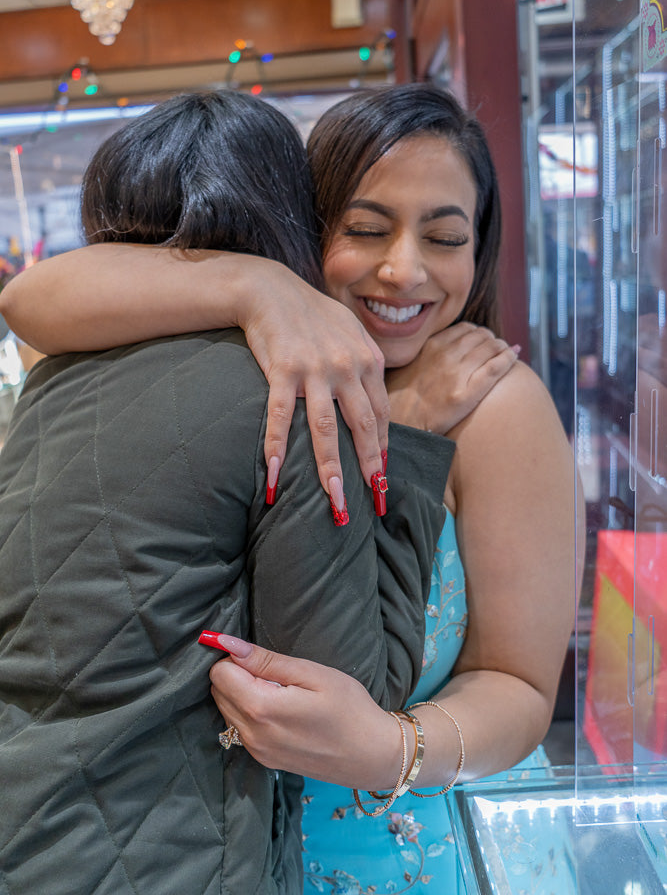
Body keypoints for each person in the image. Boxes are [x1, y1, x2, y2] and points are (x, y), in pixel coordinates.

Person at [0, 84, 581, 892]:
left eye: (444, 237)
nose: (402, 268)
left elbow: (518, 682)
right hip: (215, 840)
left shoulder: (493, 405)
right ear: (303, 228)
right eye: (366, 229)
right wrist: (255, 288)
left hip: (407, 845)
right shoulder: (254, 361)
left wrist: (390, 749)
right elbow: (31, 299)